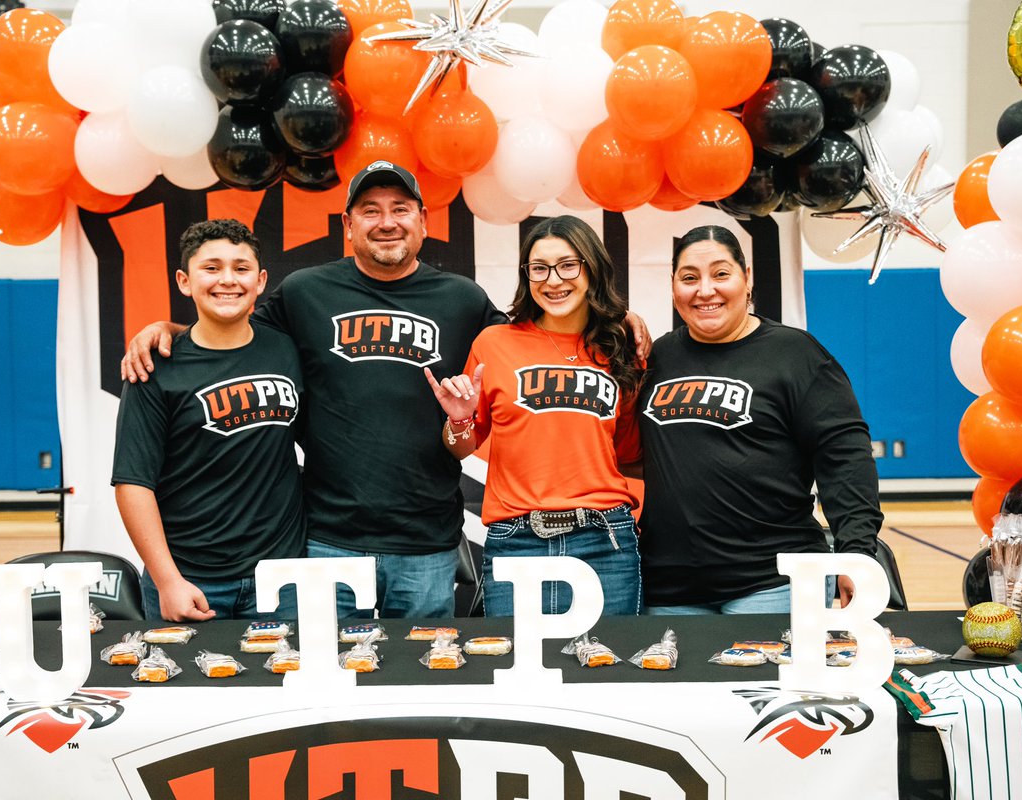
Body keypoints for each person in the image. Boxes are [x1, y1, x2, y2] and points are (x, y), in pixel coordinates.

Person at [123, 162, 651, 619]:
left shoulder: (463, 300)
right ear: (348, 226)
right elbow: (231, 327)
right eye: (370, 211)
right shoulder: (305, 291)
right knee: (327, 689)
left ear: (423, 221)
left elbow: (536, 332)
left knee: (420, 689)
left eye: (400, 208)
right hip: (327, 539)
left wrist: (611, 315)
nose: (386, 222)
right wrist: (167, 331)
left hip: (426, 542)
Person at [637, 225, 882, 615]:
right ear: (673, 286)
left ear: (746, 278)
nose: (705, 290)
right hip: (670, 589)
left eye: (721, 274)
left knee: (762, 680)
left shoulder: (796, 354)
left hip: (775, 583)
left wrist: (855, 553)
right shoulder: (658, 358)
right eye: (689, 278)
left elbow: (845, 460)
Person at [426, 215, 643, 616]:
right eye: (539, 268)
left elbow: (628, 454)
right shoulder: (495, 343)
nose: (553, 280)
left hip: (604, 538)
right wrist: (458, 421)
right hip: (517, 540)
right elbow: (461, 448)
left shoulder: (619, 347)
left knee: (608, 676)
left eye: (568, 265)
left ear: (592, 268)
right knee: (517, 675)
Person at [112, 219, 304, 621]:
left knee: (285, 683)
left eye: (241, 267)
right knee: (189, 684)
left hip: (282, 574)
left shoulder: (289, 348)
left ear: (261, 280)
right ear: (184, 280)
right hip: (192, 577)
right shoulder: (155, 367)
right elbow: (133, 483)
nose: (227, 280)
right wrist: (167, 581)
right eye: (211, 268)